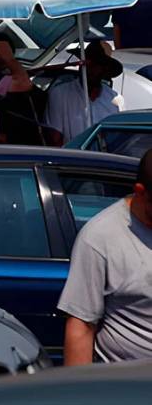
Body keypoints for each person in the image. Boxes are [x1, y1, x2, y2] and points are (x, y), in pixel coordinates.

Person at [59, 148, 152, 365]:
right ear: (140, 192)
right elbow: (81, 326)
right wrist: (81, 396)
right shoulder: (100, 237)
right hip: (130, 387)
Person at [45, 41, 123, 145]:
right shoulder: (60, 94)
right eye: (86, 63)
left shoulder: (114, 100)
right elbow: (55, 140)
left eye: (95, 65)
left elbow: (118, 140)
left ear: (105, 69)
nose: (89, 69)